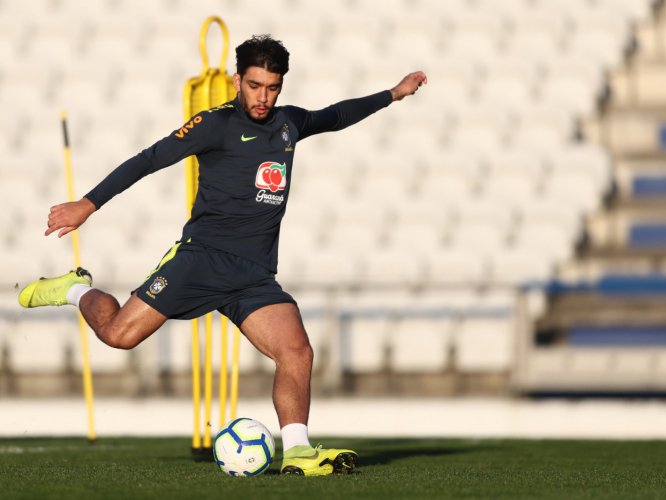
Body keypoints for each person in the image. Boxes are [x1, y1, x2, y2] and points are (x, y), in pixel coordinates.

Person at [18, 34, 427, 476]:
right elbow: (148, 159)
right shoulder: (215, 123)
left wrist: (393, 94)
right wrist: (87, 204)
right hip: (201, 260)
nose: (263, 97)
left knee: (298, 352)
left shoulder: (289, 124)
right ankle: (76, 289)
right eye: (255, 86)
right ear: (238, 80)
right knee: (119, 335)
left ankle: (298, 450)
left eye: (272, 87)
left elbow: (336, 115)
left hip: (253, 276)